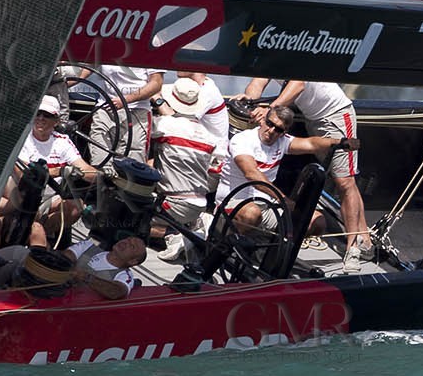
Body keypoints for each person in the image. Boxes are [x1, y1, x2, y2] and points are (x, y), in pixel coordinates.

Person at [241, 79, 370, 271]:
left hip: (336, 115)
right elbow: (257, 82)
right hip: (313, 118)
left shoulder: (294, 54)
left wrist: (269, 110)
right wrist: (249, 103)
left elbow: (298, 84)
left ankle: (353, 248)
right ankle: (364, 237)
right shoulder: (270, 53)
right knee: (342, 179)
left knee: (344, 181)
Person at [217, 110, 354, 261]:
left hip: (266, 206)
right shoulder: (242, 140)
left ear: (284, 132)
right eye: (270, 124)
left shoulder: (283, 141)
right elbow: (252, 175)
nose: (272, 131)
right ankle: (224, 249)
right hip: (233, 204)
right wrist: (283, 199)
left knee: (316, 222)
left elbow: (311, 143)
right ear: (263, 121)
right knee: (252, 214)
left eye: (279, 129)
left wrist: (340, 143)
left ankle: (270, 252)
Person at [0, 97, 100, 251]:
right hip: (19, 198)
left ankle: (39, 233)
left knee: (76, 206)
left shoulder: (63, 141)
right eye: (38, 113)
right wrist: (60, 170)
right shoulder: (22, 137)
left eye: (46, 115)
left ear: (56, 121)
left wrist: (106, 177)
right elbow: (24, 175)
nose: (40, 118)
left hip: (47, 200)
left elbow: (86, 170)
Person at [150, 78, 225, 261]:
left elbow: (139, 133)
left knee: (125, 220)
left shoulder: (164, 125)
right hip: (199, 204)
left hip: (171, 204)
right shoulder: (209, 137)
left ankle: (173, 234)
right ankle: (196, 225)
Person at [0, 234, 147, 299]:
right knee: (19, 253)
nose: (126, 242)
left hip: (64, 300)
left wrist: (86, 278)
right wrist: (69, 271)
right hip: (50, 284)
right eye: (128, 239)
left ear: (133, 262)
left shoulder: (125, 276)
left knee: (19, 256)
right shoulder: (88, 246)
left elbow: (118, 292)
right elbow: (65, 258)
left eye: (132, 246)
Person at [81, 64, 164, 161]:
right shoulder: (104, 48)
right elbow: (85, 69)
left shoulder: (151, 51)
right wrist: (65, 82)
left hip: (137, 110)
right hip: (105, 107)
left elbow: (156, 84)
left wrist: (125, 100)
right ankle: (101, 173)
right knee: (99, 151)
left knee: (133, 159)